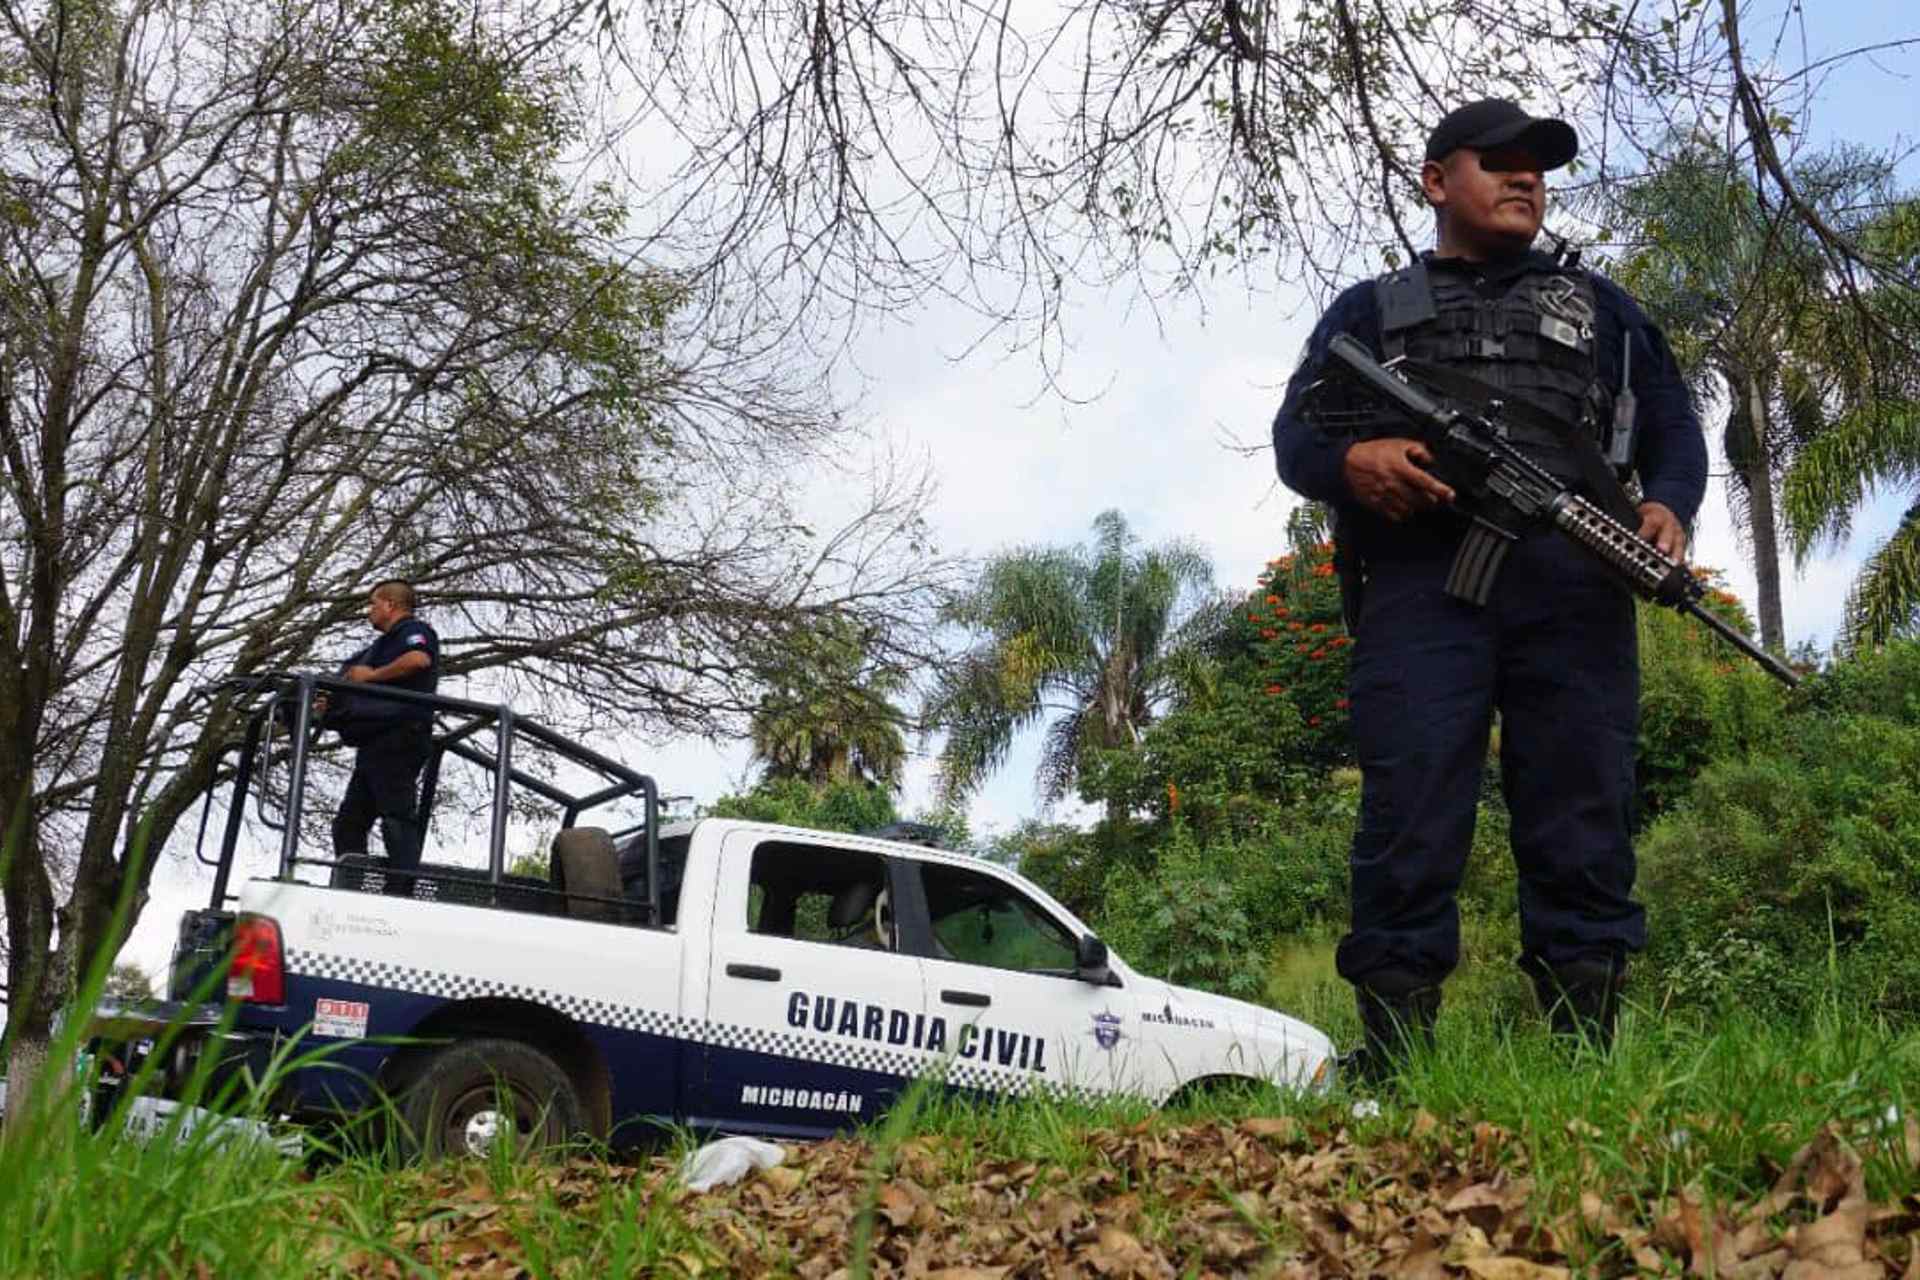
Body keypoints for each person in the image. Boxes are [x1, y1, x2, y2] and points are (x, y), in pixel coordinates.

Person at [1270, 100, 1708, 1073]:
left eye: (1538, 168)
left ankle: (1585, 1060)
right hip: (1427, 585)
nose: (1525, 180)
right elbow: (1297, 437)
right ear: (1436, 181)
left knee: (1584, 811)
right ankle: (1392, 1065)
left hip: (1575, 587)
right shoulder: (1369, 311)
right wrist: (1357, 463)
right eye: (1499, 162)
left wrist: (1668, 508)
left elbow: (1675, 434)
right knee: (1410, 810)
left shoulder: (1608, 312)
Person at [322, 579, 441, 898]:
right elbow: (352, 681)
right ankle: (354, 891)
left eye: (373, 603)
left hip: (399, 739)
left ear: (390, 604)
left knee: (396, 818)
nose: (369, 611)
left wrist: (371, 677)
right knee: (348, 824)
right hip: (373, 745)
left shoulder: (413, 631)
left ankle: (401, 895)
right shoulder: (378, 647)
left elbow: (419, 660)